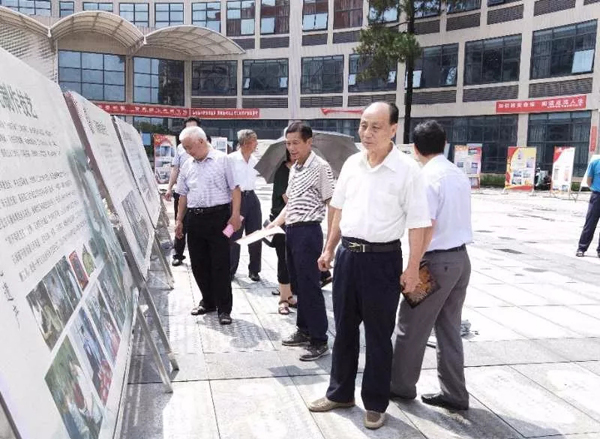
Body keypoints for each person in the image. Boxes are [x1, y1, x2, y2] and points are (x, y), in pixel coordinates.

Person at [307, 102, 431, 430]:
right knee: (344, 330)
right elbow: (338, 209)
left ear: (393, 129)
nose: (367, 133)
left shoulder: (407, 170)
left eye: (376, 127)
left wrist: (413, 268)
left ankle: (375, 403)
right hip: (348, 256)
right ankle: (340, 393)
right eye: (363, 125)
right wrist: (329, 248)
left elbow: (419, 223)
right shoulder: (352, 163)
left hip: (383, 260)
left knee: (377, 336)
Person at [390, 120, 472, 412]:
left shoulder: (426, 178)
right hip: (460, 260)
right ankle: (455, 393)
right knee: (449, 329)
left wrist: (412, 267)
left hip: (434, 262)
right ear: (445, 144)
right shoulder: (457, 174)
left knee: (410, 326)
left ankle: (399, 386)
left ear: (414, 148)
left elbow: (427, 225)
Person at [267, 122, 335, 361]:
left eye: (296, 143)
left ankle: (319, 339)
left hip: (308, 231)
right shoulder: (294, 168)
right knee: (297, 285)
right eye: (288, 143)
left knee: (310, 286)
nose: (291, 148)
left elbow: (332, 203)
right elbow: (291, 203)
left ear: (309, 141)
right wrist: (275, 223)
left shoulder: (321, 167)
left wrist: (329, 245)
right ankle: (304, 329)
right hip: (291, 231)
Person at [176, 126, 242, 325]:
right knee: (198, 264)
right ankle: (208, 301)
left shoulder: (223, 160)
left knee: (220, 264)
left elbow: (235, 189)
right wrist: (179, 220)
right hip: (195, 219)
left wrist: (235, 215)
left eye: (189, 147)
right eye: (185, 148)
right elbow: (183, 194)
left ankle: (224, 309)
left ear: (201, 141)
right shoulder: (187, 165)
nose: (188, 151)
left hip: (219, 218)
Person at [165, 116, 201, 267]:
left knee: (197, 226)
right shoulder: (180, 148)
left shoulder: (205, 146)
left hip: (198, 192)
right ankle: (178, 254)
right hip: (181, 190)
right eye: (187, 128)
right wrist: (169, 188)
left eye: (193, 128)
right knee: (180, 222)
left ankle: (198, 257)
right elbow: (175, 169)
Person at [229, 129, 262, 282]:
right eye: (255, 141)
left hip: (252, 199)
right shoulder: (231, 159)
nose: (257, 144)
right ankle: (230, 269)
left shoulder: (255, 160)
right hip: (236, 200)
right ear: (246, 143)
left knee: (255, 235)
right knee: (232, 235)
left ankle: (254, 270)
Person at [268, 149, 297, 314]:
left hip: (297, 222)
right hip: (282, 222)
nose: (295, 152)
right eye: (291, 148)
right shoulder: (283, 171)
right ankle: (283, 299)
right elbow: (287, 199)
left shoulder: (301, 170)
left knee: (292, 261)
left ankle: (289, 295)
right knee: (284, 260)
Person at [576, 156, 600, 258]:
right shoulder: (595, 163)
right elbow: (589, 180)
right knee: (590, 223)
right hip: (597, 196)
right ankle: (581, 248)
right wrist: (595, 189)